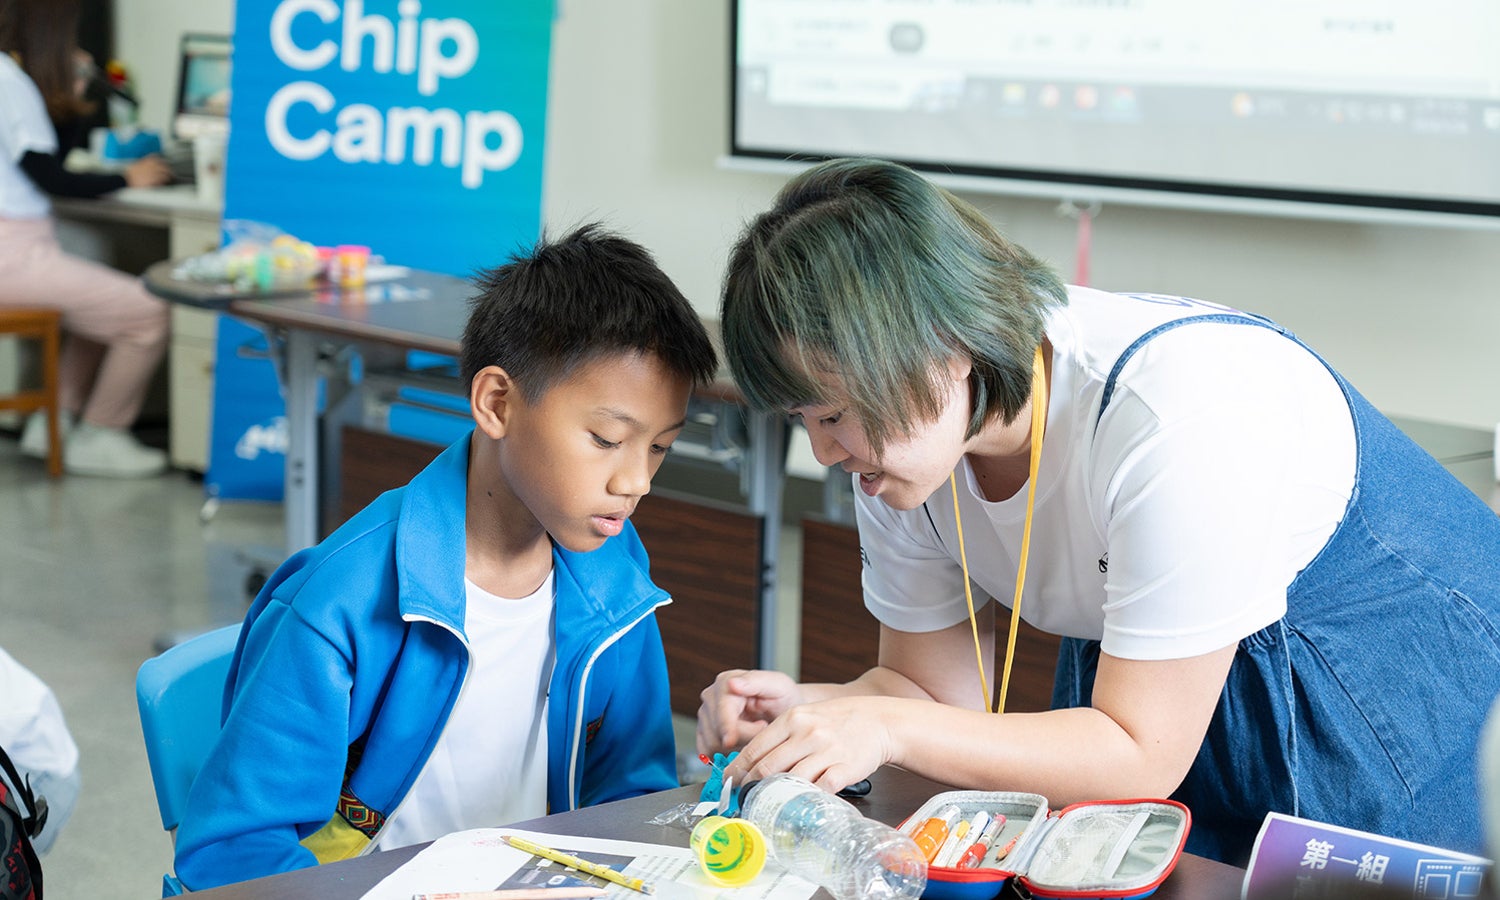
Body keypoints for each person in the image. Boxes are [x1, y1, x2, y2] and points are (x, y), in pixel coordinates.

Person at [698, 157, 1500, 865]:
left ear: (943, 348)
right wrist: (815, 710)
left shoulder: (1174, 414)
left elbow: (1137, 753)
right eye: (803, 418)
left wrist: (882, 726)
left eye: (833, 415)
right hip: (1143, 707)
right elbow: (932, 698)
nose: (824, 452)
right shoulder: (904, 448)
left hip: (1368, 672)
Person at [173, 224, 719, 889]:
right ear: (497, 403)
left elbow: (634, 796)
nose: (637, 481)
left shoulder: (614, 570)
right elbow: (235, 852)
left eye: (658, 447)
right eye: (607, 439)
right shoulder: (341, 600)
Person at [0, 0, 173, 477]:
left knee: (103, 306)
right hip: (13, 258)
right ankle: (102, 432)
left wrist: (70, 93)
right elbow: (52, 176)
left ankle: (53, 423)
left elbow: (40, 160)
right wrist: (127, 178)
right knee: (148, 310)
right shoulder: (9, 83)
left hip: (16, 252)